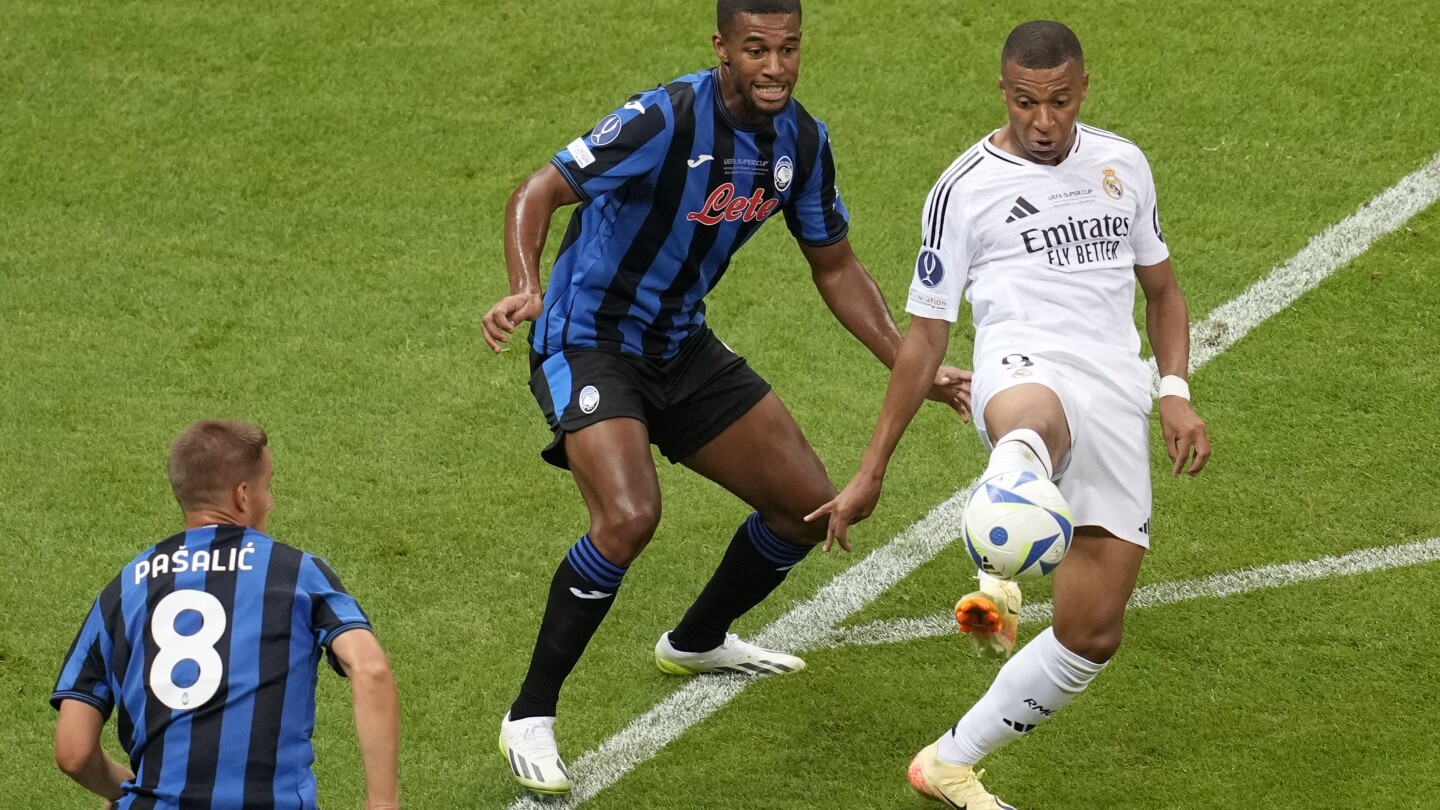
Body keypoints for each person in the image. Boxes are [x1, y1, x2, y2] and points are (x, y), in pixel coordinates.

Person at [480, 0, 971, 797]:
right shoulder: (663, 119)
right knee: (629, 516)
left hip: (679, 344)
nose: (775, 67)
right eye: (756, 50)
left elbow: (836, 267)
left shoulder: (801, 143)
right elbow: (537, 191)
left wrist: (910, 364)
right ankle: (530, 714)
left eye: (789, 49)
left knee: (810, 505)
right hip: (586, 339)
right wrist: (527, 288)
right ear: (721, 49)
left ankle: (698, 639)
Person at [807, 20, 1211, 809]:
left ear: (1083, 90)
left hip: (1117, 391)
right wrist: (870, 469)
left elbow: (1163, 293)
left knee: (1093, 632)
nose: (1043, 121)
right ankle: (1001, 542)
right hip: (1022, 366)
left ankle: (949, 763)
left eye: (1059, 102)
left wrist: (1174, 392)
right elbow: (925, 338)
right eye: (1027, 102)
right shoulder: (963, 189)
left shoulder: (1122, 164)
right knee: (1033, 426)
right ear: (1004, 92)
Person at [51, 420, 400, 810]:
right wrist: (382, 803)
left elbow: (73, 752)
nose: (271, 501)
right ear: (243, 496)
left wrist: (123, 789)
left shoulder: (125, 587)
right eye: (268, 486)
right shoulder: (295, 573)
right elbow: (370, 669)